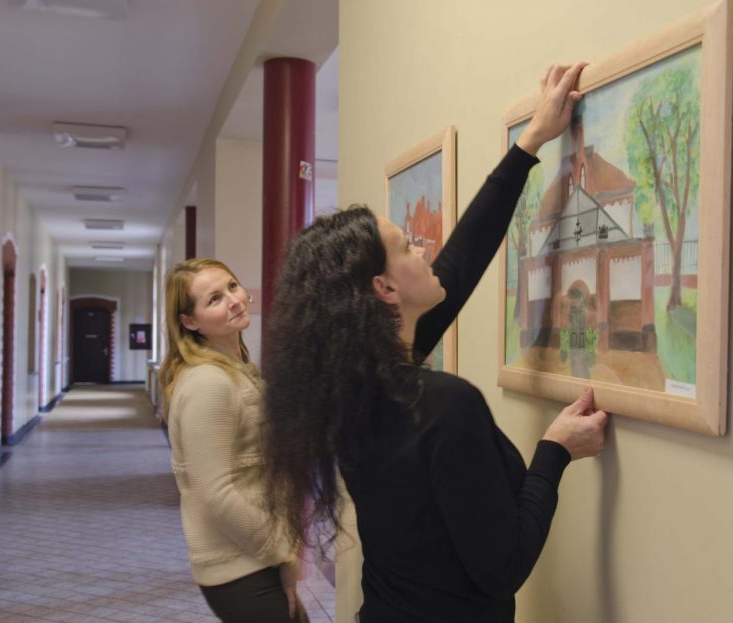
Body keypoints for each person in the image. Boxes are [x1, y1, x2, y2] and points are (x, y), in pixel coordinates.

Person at [262, 62, 608, 622]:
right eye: (405, 245)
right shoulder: (442, 404)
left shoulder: (357, 391)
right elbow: (503, 565)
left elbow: (460, 263)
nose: (423, 248)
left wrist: (529, 144)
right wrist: (556, 451)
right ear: (385, 288)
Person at [159, 258, 308, 623]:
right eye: (214, 299)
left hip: (255, 559)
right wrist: (281, 550)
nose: (234, 299)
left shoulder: (238, 370)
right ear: (189, 322)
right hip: (239, 568)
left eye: (232, 286)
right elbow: (214, 493)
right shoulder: (208, 383)